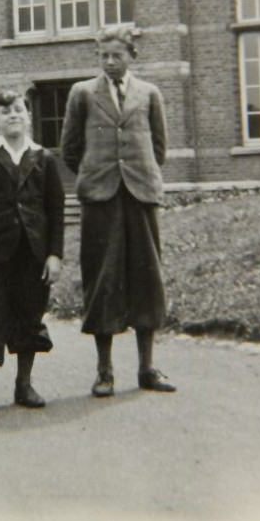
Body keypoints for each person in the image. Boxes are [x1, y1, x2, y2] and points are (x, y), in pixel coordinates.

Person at [59, 25, 177, 396]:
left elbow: (159, 147)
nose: (110, 62)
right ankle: (105, 371)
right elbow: (71, 148)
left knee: (147, 280)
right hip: (100, 197)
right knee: (102, 280)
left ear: (131, 56)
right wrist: (99, 175)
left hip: (139, 195)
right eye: (104, 56)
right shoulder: (81, 94)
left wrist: (137, 175)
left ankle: (147, 367)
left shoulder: (149, 94)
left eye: (117, 55)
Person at [0, 89, 66, 417]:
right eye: (5, 112)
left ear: (29, 116)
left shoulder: (44, 158)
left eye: (19, 110)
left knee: (29, 317)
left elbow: (55, 209)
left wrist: (54, 254)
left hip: (33, 254)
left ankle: (24, 383)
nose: (13, 116)